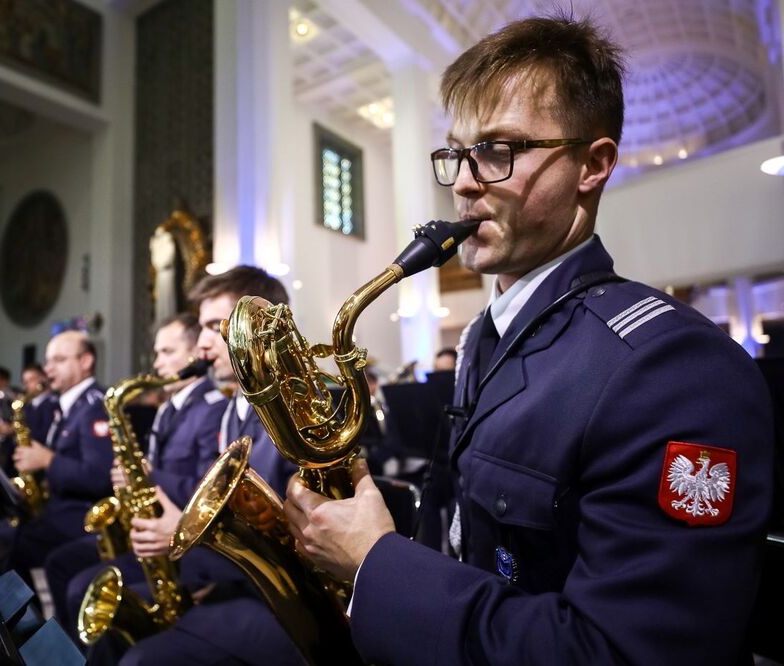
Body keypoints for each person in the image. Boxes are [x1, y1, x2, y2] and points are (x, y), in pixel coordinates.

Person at [284, 14, 773, 666]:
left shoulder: (674, 368)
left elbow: (617, 653)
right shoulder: (489, 335)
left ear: (592, 166)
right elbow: (463, 533)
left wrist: (378, 563)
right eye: (457, 153)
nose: (462, 181)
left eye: (497, 150)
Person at [121, 266, 302, 666]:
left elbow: (297, 539)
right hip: (244, 582)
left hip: (288, 606)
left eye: (212, 327)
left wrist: (187, 535)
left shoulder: (290, 410)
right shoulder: (234, 408)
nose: (201, 347)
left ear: (254, 327)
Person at [43, 312, 226, 645]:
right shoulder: (169, 409)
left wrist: (150, 475)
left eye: (167, 352)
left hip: (181, 541)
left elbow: (208, 487)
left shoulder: (212, 408)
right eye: (157, 353)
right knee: (67, 570)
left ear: (195, 355)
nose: (157, 364)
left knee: (82, 589)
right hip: (149, 531)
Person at [0, 331, 113, 582]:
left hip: (83, 517)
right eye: (48, 362)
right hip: (61, 509)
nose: (48, 369)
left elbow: (100, 476)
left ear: (85, 361)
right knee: (0, 539)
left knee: (6, 543)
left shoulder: (95, 406)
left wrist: (48, 461)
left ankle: (18, 620)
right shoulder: (70, 406)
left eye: (58, 360)